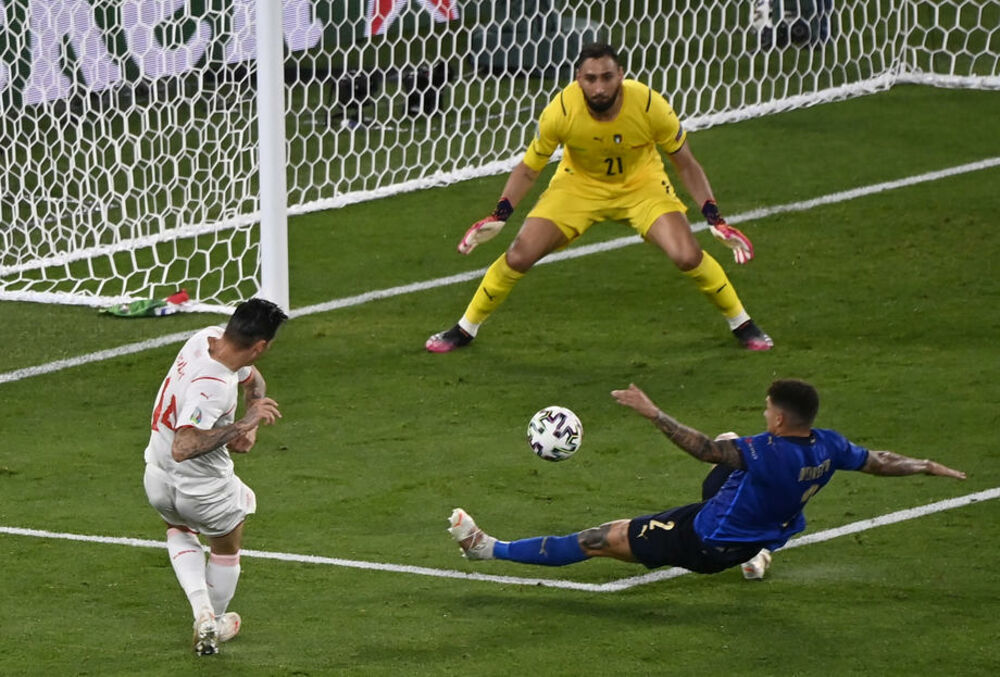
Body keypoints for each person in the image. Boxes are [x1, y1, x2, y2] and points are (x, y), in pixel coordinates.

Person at [427, 42, 772, 354]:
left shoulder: (649, 105)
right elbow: (529, 169)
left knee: (687, 255)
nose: (600, 87)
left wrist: (715, 218)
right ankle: (465, 329)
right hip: (578, 186)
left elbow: (686, 163)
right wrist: (500, 214)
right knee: (519, 255)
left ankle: (742, 323)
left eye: (607, 77)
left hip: (642, 185)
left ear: (621, 74)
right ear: (578, 79)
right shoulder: (561, 111)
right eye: (590, 78)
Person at [447, 379, 966, 579]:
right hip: (764, 525)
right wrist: (924, 465)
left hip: (706, 540)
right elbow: (879, 460)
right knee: (729, 449)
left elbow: (702, 450)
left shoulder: (766, 453)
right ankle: (760, 554)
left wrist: (654, 413)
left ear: (779, 419)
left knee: (598, 539)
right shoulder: (828, 445)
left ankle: (486, 549)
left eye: (767, 409)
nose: (764, 414)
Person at [142, 298, 288, 655]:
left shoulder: (204, 338)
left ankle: (203, 614)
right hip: (203, 490)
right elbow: (184, 445)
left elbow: (253, 380)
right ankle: (212, 620)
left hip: (157, 479)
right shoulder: (216, 385)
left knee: (178, 528)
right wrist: (243, 424)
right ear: (260, 346)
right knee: (226, 546)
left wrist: (252, 417)